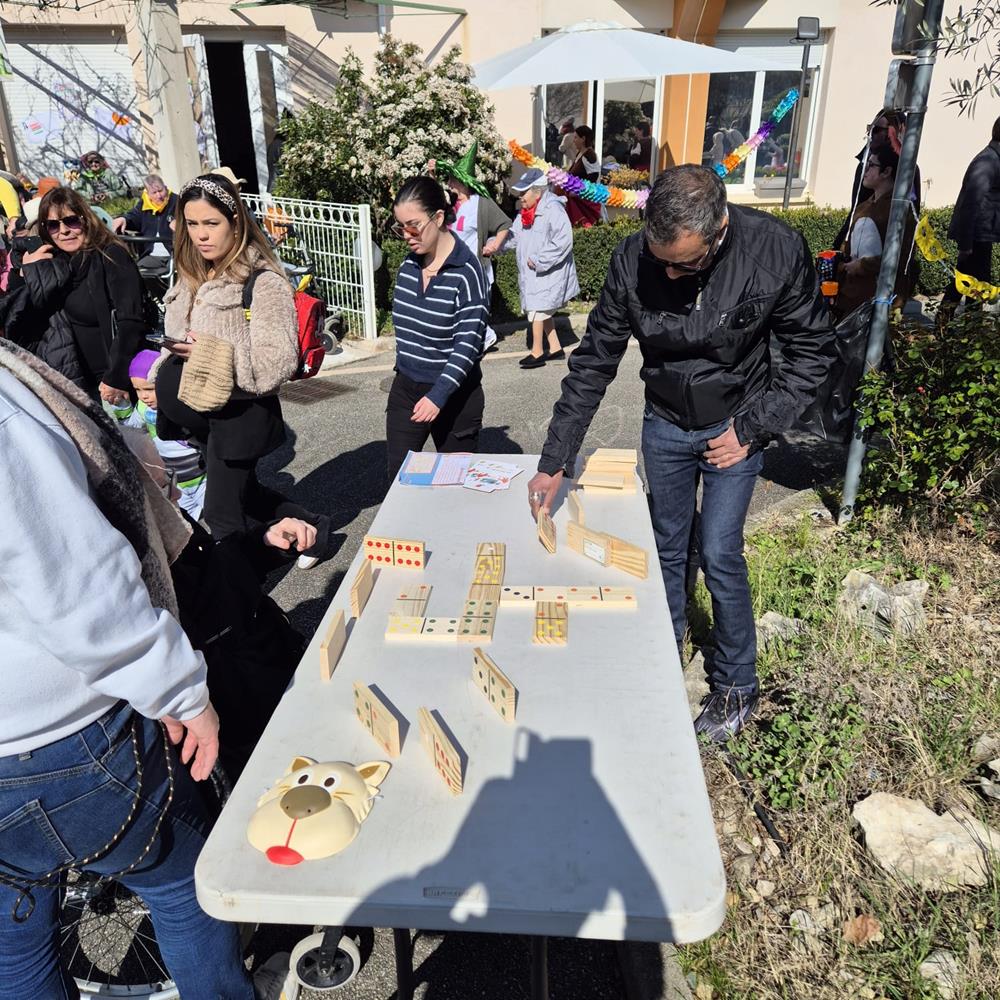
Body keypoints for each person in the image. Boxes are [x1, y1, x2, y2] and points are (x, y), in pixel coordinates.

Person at [526, 165, 836, 742]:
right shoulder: (629, 261)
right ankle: (661, 655)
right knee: (665, 546)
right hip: (664, 421)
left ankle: (737, 686)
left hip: (735, 424)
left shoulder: (773, 250)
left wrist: (753, 427)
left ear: (719, 230)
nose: (669, 272)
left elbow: (812, 353)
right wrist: (555, 459)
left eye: (685, 264)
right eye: (661, 258)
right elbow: (594, 361)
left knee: (719, 551)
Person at [0, 338, 258, 999]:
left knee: (16, 949)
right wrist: (176, 685)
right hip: (61, 728)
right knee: (182, 887)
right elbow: (74, 575)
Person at [154, 173, 313, 544]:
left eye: (211, 223)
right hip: (204, 419)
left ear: (235, 222)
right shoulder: (191, 274)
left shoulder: (262, 281)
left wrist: (206, 353)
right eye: (192, 224)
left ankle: (244, 597)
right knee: (249, 496)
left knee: (222, 514)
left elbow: (276, 362)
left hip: (239, 417)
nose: (201, 234)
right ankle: (314, 530)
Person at [3, 186, 147, 402]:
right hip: (71, 381)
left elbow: (131, 320)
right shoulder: (53, 263)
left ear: (86, 219)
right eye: (53, 225)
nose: (64, 231)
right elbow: (17, 318)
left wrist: (115, 377)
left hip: (111, 382)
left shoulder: (110, 255)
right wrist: (24, 272)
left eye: (71, 221)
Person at [385, 175, 488, 479]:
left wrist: (439, 394)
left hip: (456, 396)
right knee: (400, 482)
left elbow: (468, 344)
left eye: (413, 225)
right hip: (407, 389)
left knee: (453, 486)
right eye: (400, 227)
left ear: (439, 217)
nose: (406, 235)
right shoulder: (408, 266)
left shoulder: (467, 273)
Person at [487, 168, 579, 371]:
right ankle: (555, 347)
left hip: (549, 273)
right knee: (542, 309)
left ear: (537, 191)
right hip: (536, 274)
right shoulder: (525, 214)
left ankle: (537, 352)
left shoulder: (553, 210)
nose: (520, 198)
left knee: (538, 310)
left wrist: (539, 260)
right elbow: (513, 237)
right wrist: (494, 244)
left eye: (523, 193)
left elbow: (563, 242)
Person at [429, 143, 512, 352]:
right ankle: (476, 339)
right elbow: (430, 200)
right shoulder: (451, 205)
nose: (448, 183)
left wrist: (494, 245)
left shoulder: (481, 204)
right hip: (455, 266)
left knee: (473, 306)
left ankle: (485, 337)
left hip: (475, 266)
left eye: (451, 179)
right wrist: (431, 175)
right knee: (458, 306)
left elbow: (504, 224)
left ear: (461, 182)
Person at [109, 349, 208, 520]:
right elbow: (133, 428)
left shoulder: (179, 405)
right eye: (138, 390)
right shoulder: (143, 408)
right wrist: (122, 406)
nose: (144, 396)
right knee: (191, 520)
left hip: (203, 478)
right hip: (176, 481)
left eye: (149, 389)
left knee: (217, 517)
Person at [834, 142, 916, 319]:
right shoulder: (863, 206)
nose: (866, 171)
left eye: (871, 165)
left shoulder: (900, 211)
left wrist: (862, 266)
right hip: (851, 297)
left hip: (880, 300)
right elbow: (848, 247)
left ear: (887, 172)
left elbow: (899, 257)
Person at [833, 109, 922, 250]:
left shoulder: (907, 170)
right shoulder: (864, 165)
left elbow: (911, 217)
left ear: (893, 134)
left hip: (884, 248)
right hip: (859, 243)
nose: (870, 134)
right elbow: (856, 210)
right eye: (870, 128)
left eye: (877, 130)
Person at [943, 115, 1000, 304]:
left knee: (972, 287)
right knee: (972, 287)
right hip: (976, 238)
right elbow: (971, 203)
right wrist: (966, 244)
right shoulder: (988, 162)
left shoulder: (993, 159)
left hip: (980, 236)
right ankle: (952, 328)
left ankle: (956, 328)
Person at [112, 173, 177, 272]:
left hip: (174, 254)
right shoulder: (143, 204)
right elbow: (134, 216)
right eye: (154, 193)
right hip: (151, 254)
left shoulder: (177, 201)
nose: (158, 196)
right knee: (136, 273)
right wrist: (123, 219)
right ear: (147, 193)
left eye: (161, 191)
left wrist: (180, 224)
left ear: (166, 188)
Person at [564, 125, 603, 228]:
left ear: (583, 139)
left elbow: (593, 177)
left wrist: (579, 192)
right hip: (575, 200)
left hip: (584, 203)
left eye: (576, 137)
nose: (574, 140)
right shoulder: (580, 154)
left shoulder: (590, 155)